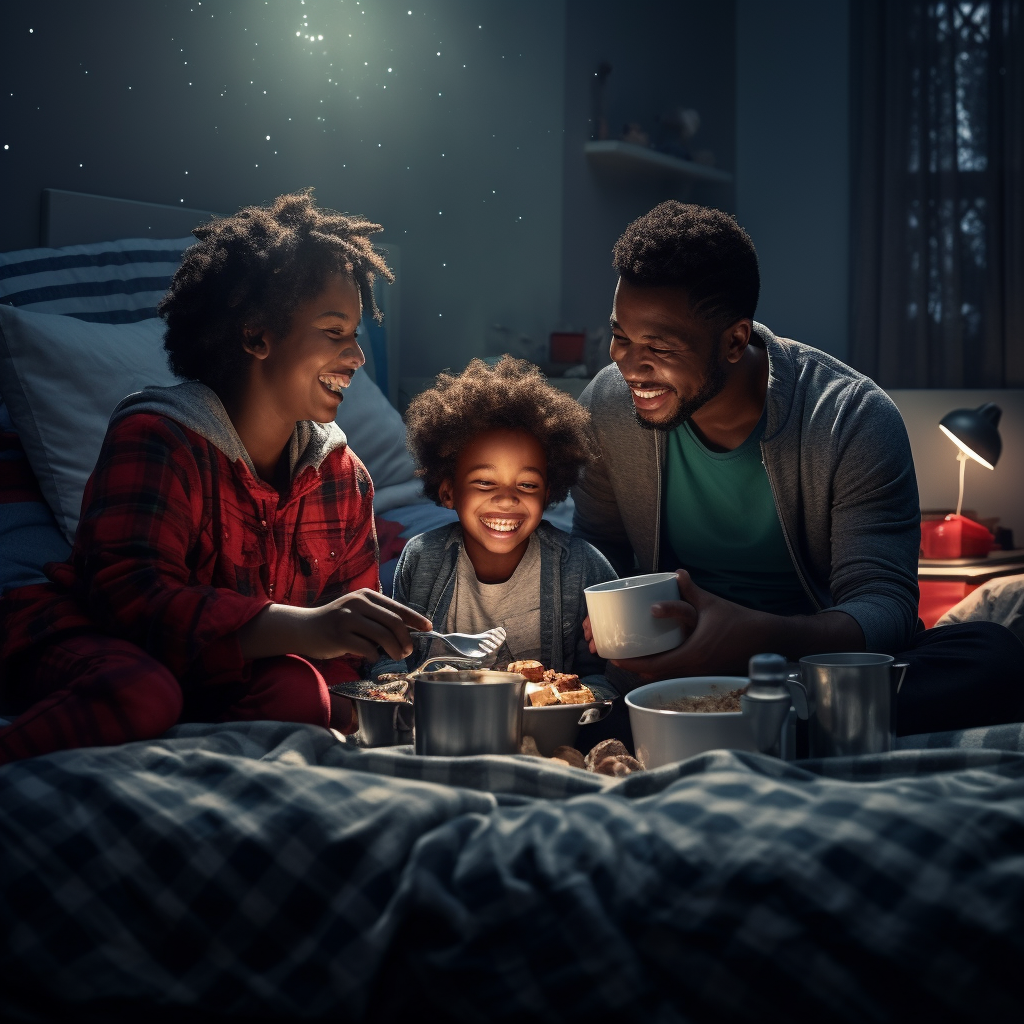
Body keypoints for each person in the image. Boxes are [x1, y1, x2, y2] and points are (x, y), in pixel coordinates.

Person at [0, 191, 430, 764]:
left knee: (302, 691)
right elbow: (133, 601)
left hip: (227, 671)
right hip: (106, 641)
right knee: (141, 694)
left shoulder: (342, 477)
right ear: (256, 337)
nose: (357, 356)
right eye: (334, 332)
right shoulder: (159, 439)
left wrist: (359, 655)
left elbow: (346, 637)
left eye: (356, 334)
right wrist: (300, 627)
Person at [573, 201, 1024, 737]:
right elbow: (598, 555)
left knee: (990, 652)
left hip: (808, 669)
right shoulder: (605, 404)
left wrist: (756, 637)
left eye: (658, 347)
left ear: (735, 340)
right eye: (621, 335)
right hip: (670, 671)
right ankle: (783, 730)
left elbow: (886, 607)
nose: (627, 363)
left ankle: (769, 723)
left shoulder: (852, 417)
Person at [383, 356, 616, 688]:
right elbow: (389, 657)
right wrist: (394, 689)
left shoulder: (581, 566)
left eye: (527, 485)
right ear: (448, 491)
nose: (507, 499)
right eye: (484, 483)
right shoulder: (420, 558)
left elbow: (608, 675)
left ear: (548, 493)